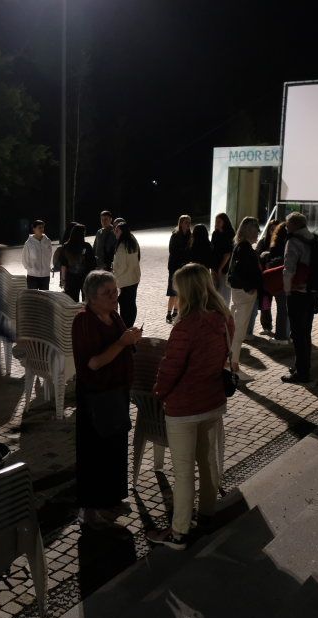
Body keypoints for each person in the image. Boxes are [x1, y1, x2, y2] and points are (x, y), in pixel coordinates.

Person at [148, 263, 234, 550]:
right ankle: (207, 515)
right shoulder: (224, 319)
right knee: (207, 462)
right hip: (212, 401)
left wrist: (159, 392)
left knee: (184, 472)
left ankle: (179, 533)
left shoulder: (186, 326)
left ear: (186, 290)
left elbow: (170, 368)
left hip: (184, 407)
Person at [72, 270, 141, 530]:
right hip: (96, 396)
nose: (114, 297)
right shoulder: (84, 321)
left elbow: (122, 344)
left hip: (117, 392)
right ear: (91, 297)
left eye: (115, 291)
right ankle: (93, 509)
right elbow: (94, 362)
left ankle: (112, 500)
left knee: (115, 447)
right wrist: (122, 343)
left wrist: (131, 338)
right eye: (107, 293)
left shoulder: (114, 315)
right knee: (96, 453)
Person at [281, 212, 317, 384]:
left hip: (298, 293)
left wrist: (287, 290)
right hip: (313, 292)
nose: (286, 227)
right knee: (306, 332)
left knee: (297, 334)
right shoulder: (313, 238)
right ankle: (302, 366)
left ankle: (302, 373)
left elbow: (288, 269)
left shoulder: (294, 241)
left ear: (294, 225)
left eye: (287, 224)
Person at [227, 217, 262, 378]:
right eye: (256, 231)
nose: (258, 234)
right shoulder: (245, 248)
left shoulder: (240, 246)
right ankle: (233, 364)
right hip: (244, 292)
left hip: (239, 291)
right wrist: (250, 287)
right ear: (250, 231)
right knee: (239, 329)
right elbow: (240, 272)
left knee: (236, 326)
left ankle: (231, 362)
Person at [260, 221, 291, 345]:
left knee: (282, 308)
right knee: (283, 308)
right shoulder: (292, 242)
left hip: (278, 280)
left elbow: (273, 261)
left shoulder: (277, 244)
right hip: (288, 280)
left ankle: (281, 336)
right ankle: (283, 333)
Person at [111, 221, 141, 328]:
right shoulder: (133, 241)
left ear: (123, 231)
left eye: (117, 231)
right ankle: (130, 324)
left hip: (125, 280)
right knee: (131, 302)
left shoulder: (122, 246)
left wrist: (114, 275)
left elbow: (121, 266)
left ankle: (125, 326)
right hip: (134, 277)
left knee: (125, 304)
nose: (115, 233)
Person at [59, 222, 96, 302]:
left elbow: (63, 264)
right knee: (86, 301)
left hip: (71, 279)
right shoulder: (86, 246)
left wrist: (63, 280)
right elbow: (92, 264)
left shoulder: (66, 246)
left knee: (72, 301)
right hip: (85, 278)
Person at [166, 214, 191, 323]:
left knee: (180, 291)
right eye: (186, 222)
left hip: (184, 267)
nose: (188, 224)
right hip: (174, 266)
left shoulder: (190, 235)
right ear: (181, 223)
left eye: (189, 222)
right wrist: (184, 253)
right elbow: (172, 251)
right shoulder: (175, 235)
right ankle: (168, 313)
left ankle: (176, 312)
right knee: (172, 291)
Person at [211, 213, 235, 305]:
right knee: (215, 292)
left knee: (224, 294)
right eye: (216, 221)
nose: (216, 223)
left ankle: (224, 311)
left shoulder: (230, 234)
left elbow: (228, 254)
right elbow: (213, 250)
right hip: (215, 266)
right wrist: (213, 269)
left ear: (224, 222)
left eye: (219, 221)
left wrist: (220, 268)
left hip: (225, 268)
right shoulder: (215, 234)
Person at [22, 220, 52, 290]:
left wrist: (47, 267)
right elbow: (24, 258)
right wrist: (30, 268)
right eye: (39, 227)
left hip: (45, 275)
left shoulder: (47, 241)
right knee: (33, 296)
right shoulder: (28, 243)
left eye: (43, 227)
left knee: (44, 296)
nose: (42, 229)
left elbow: (49, 255)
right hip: (32, 276)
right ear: (34, 229)